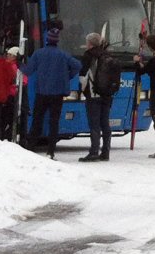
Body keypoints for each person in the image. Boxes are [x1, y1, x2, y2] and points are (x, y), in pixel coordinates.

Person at [19, 24, 81, 158]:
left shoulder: (39, 53)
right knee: (54, 122)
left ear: (47, 39)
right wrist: (67, 76)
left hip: (42, 93)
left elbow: (28, 71)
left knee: (37, 120)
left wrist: (19, 63)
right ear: (57, 41)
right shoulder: (64, 55)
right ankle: (51, 151)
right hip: (58, 94)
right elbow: (77, 65)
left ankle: (31, 148)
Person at [77, 32, 117, 162]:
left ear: (90, 43)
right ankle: (105, 152)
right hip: (107, 94)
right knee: (105, 123)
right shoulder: (107, 55)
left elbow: (83, 76)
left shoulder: (88, 56)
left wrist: (84, 90)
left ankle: (94, 151)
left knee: (94, 124)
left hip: (93, 94)